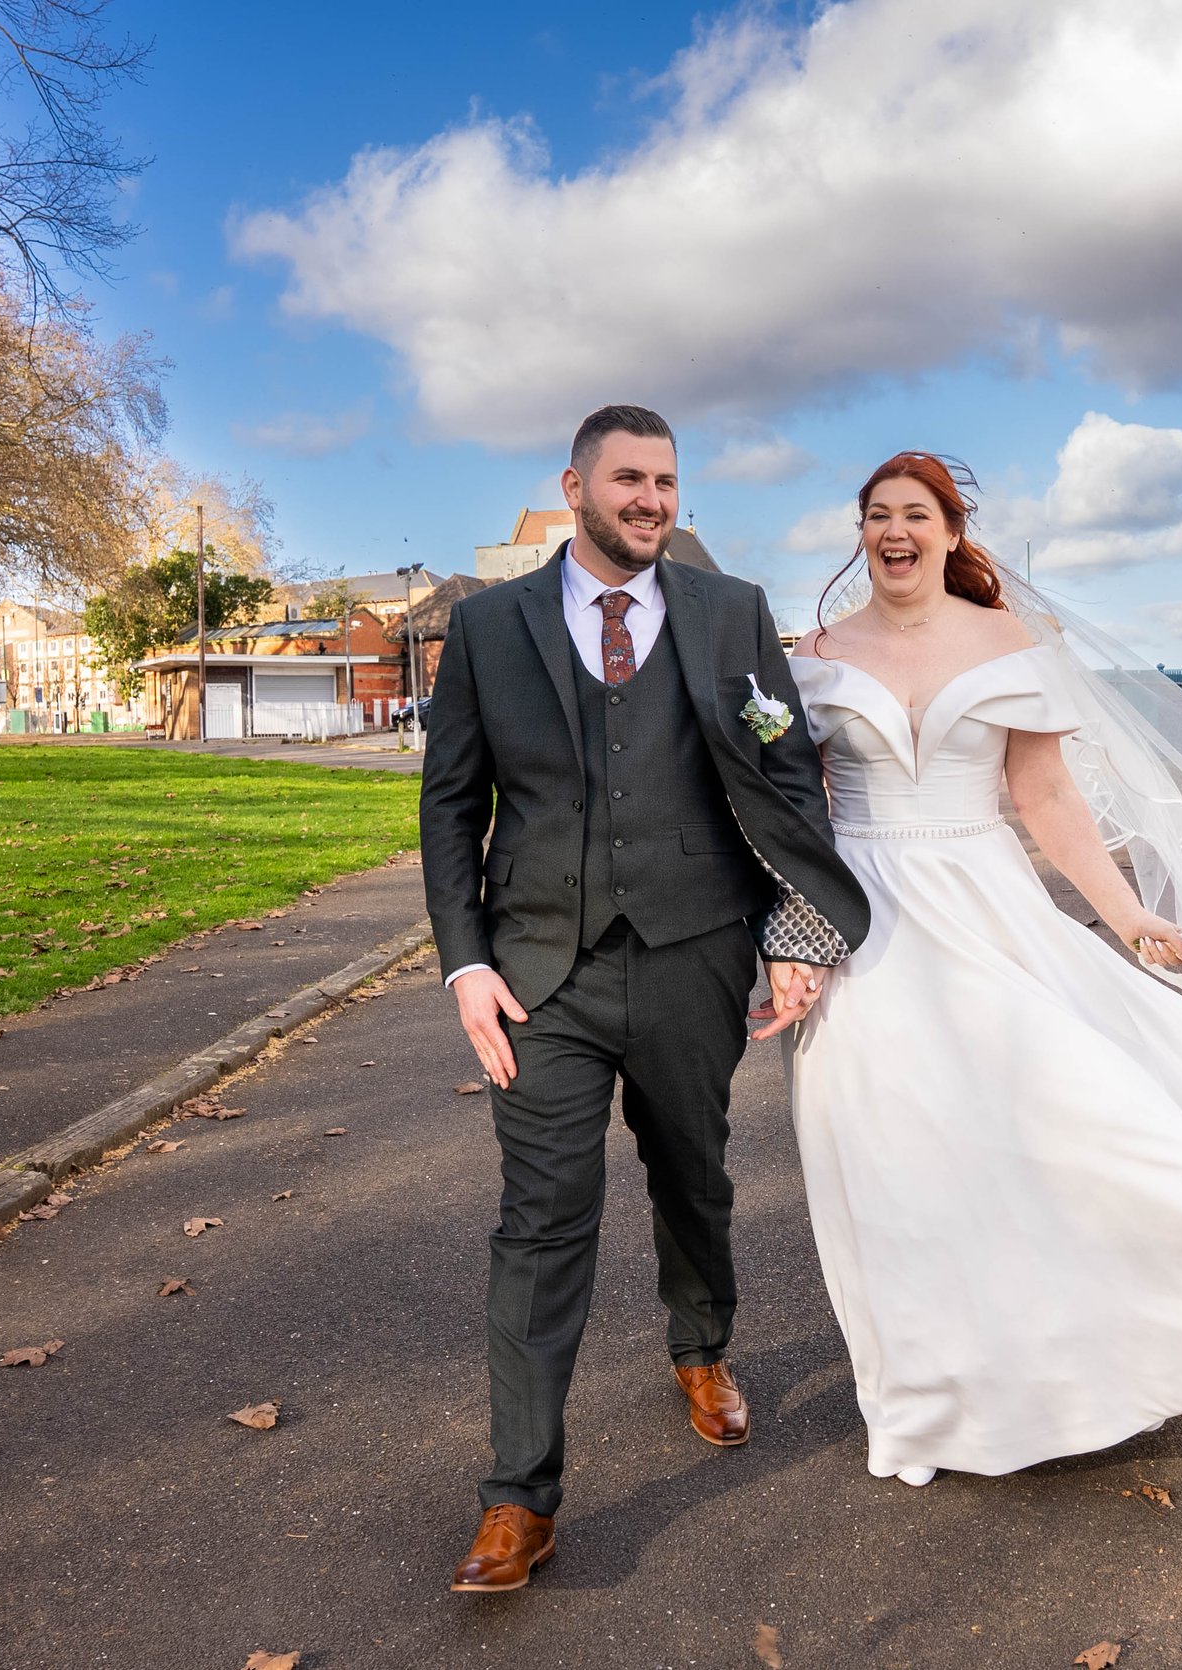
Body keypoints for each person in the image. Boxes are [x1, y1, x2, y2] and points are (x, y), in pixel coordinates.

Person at [784, 452, 1182, 1488]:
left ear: (949, 531)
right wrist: (793, 939)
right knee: (888, 1152)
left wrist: (1123, 915)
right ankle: (932, 1401)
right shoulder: (813, 654)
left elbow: (1046, 794)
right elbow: (792, 813)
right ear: (861, 533)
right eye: (877, 515)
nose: (895, 531)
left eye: (915, 514)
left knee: (1082, 1114)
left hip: (982, 905)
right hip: (863, 917)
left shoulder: (1007, 642)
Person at [418, 404, 870, 1591]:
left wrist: (797, 928)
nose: (652, 500)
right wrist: (465, 961)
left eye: (666, 481)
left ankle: (702, 1346)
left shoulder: (732, 614)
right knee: (543, 1210)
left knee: (693, 1165)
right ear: (573, 485)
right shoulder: (485, 626)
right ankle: (519, 1495)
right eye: (629, 479)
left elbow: (786, 780)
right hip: (538, 971)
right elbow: (451, 805)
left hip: (694, 949)